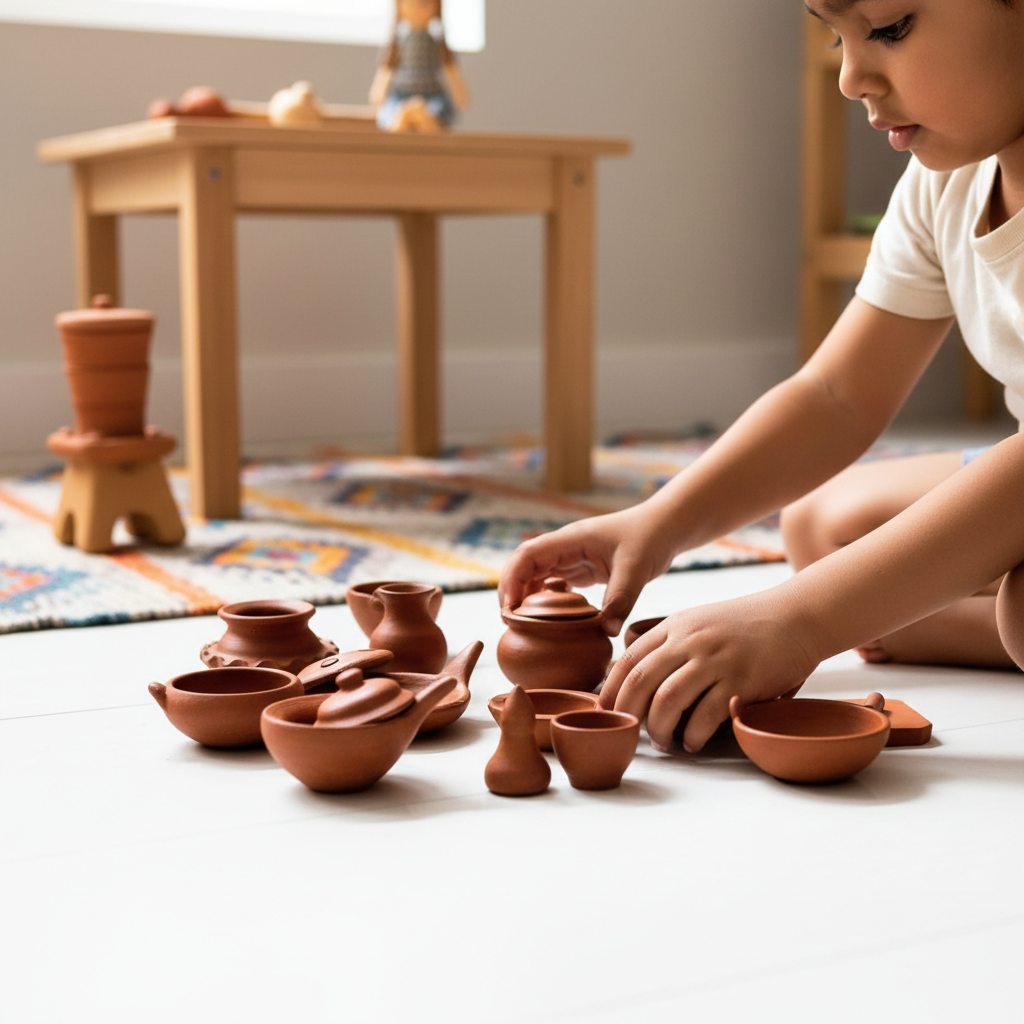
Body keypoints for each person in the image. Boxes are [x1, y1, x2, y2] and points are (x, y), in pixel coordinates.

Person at [498, 0, 1024, 754]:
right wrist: (660, 523)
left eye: (889, 29)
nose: (851, 78)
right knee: (824, 526)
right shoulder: (942, 185)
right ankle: (944, 603)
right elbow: (837, 396)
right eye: (833, 37)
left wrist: (800, 619)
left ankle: (979, 613)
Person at [369, 0, 470, 132]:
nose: (416, 9)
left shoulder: (437, 45)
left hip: (433, 96)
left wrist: (460, 97)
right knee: (393, 115)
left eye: (423, 4)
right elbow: (385, 73)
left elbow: (451, 72)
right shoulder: (398, 44)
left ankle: (421, 117)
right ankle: (407, 116)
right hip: (401, 96)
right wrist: (378, 95)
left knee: (434, 116)